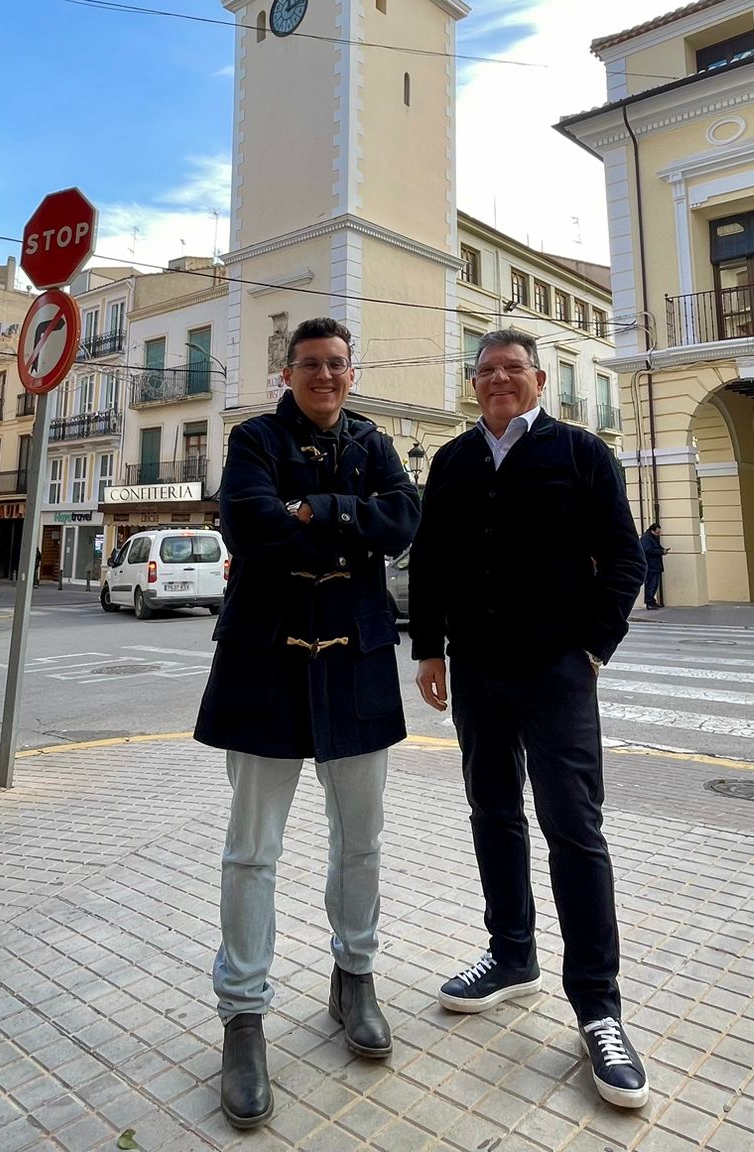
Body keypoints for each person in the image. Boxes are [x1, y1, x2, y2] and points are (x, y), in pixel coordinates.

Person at [408, 327, 651, 1110]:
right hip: (477, 669)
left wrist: (594, 650)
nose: (499, 379)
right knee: (492, 813)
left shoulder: (582, 453)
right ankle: (512, 955)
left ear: (540, 380)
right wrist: (431, 649)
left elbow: (624, 558)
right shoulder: (451, 459)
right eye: (486, 371)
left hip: (557, 671)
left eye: (514, 369)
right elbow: (433, 561)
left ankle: (599, 1009)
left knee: (575, 828)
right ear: (472, 383)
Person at [194, 318, 421, 1129]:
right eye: (310, 365)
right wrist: (342, 516)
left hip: (355, 662)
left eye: (336, 365)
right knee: (251, 850)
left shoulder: (377, 444)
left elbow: (405, 521)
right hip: (264, 664)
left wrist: (313, 507)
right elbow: (247, 523)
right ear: (286, 374)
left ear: (351, 373)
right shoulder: (252, 437)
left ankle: (353, 978)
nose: (325, 376)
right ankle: (243, 1017)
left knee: (361, 839)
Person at [640, 522, 665, 609]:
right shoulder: (646, 538)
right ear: (652, 531)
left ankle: (652, 601)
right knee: (651, 584)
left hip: (655, 565)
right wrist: (661, 552)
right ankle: (649, 603)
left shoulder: (653, 537)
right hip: (651, 565)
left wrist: (662, 550)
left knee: (654, 584)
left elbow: (657, 547)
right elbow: (647, 550)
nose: (659, 534)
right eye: (657, 532)